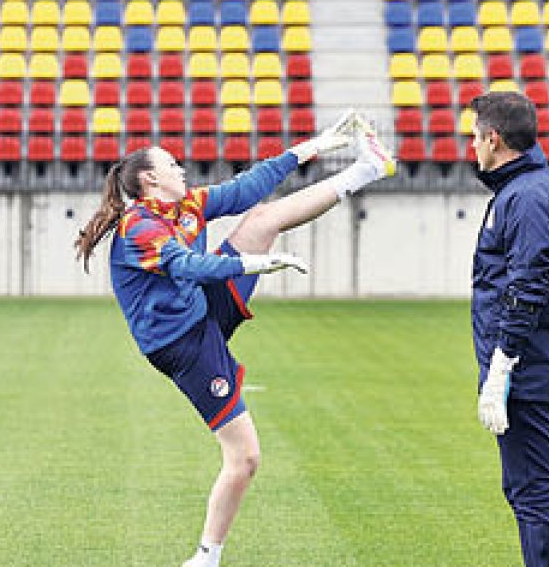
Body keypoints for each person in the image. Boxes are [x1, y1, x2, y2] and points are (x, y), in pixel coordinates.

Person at [74, 113, 397, 567]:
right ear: (150, 179)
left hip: (201, 307)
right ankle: (206, 557)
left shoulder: (186, 205)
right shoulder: (139, 227)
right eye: (172, 164)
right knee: (245, 458)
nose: (181, 168)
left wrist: (316, 145)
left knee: (261, 218)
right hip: (182, 344)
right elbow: (185, 266)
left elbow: (248, 187)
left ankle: (367, 167)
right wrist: (254, 265)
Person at [468, 92, 549, 567]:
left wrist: (501, 367)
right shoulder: (529, 190)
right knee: (525, 491)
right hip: (533, 366)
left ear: (493, 139)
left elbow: (526, 285)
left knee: (534, 494)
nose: (472, 147)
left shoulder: (530, 196)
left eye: (475, 137)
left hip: (529, 371)